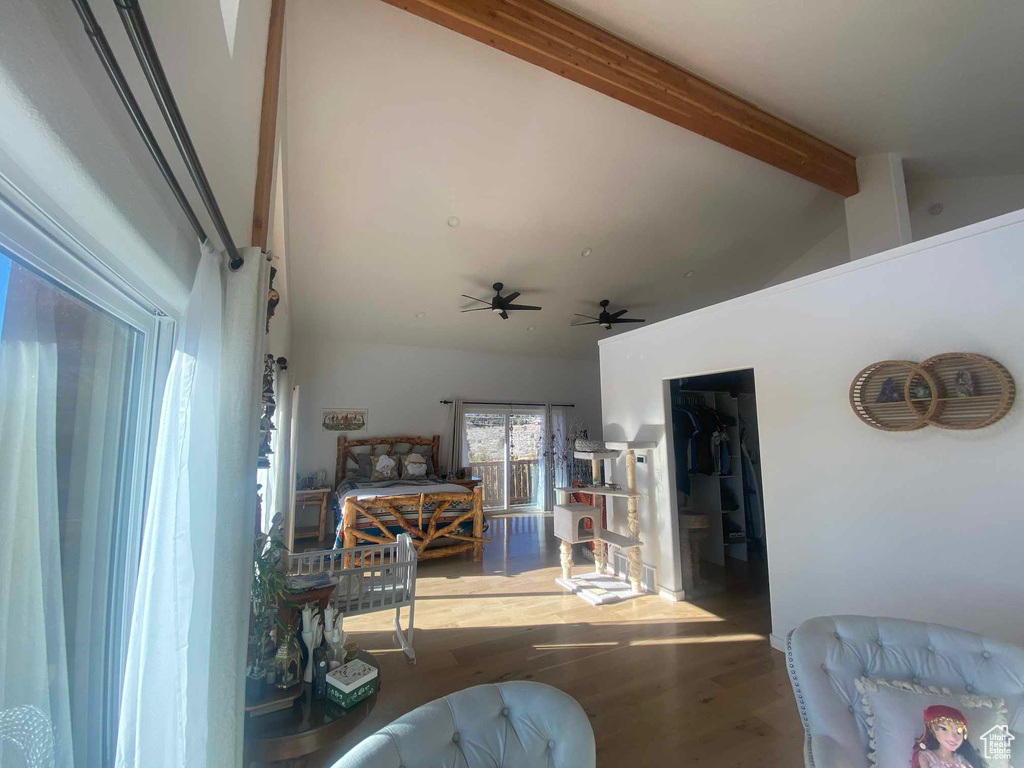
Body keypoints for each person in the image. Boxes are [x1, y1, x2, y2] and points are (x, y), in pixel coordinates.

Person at [911, 704, 988, 768]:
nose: (953, 737)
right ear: (932, 730)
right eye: (944, 729)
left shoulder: (961, 760)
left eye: (959, 732)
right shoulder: (927, 757)